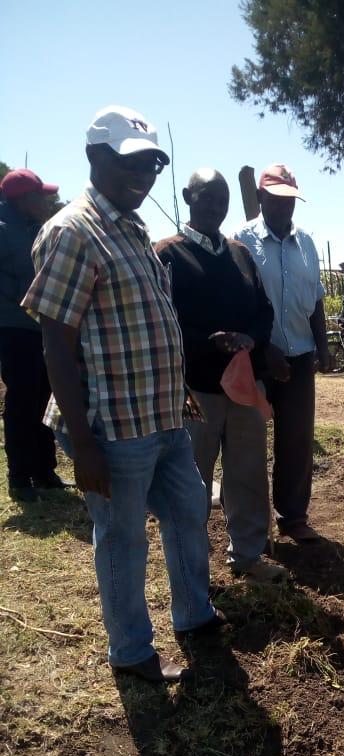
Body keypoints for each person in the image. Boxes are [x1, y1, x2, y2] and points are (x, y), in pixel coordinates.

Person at [22, 105, 221, 683]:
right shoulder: (72, 232)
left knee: (188, 513)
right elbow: (56, 344)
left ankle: (195, 615)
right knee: (122, 539)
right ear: (95, 157)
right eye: (131, 163)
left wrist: (179, 394)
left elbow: (149, 324)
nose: (144, 175)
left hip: (163, 418)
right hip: (112, 428)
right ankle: (132, 653)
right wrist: (84, 446)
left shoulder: (132, 229)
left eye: (152, 165)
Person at [156, 168, 287, 585]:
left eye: (222, 200)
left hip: (245, 386)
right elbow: (163, 321)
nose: (215, 206)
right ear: (187, 196)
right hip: (196, 388)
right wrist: (207, 342)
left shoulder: (239, 255)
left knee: (248, 472)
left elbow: (263, 310)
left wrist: (252, 338)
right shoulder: (167, 255)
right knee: (191, 476)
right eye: (207, 197)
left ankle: (247, 555)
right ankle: (190, 566)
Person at [235, 164, 332, 543]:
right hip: (257, 359)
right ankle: (252, 527)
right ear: (261, 197)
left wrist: (322, 346)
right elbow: (236, 304)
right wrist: (261, 347)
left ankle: (292, 516)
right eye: (276, 199)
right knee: (249, 444)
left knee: (297, 440)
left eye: (290, 200)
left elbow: (317, 297)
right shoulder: (241, 240)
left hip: (300, 357)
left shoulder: (306, 242)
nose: (284, 206)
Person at [0, 168, 70, 501]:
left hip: (40, 326)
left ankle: (44, 471)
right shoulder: (3, 231)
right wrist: (28, 299)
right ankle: (19, 477)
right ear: (23, 199)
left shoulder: (34, 229)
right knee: (22, 400)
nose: (47, 201)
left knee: (44, 396)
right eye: (41, 195)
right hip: (15, 328)